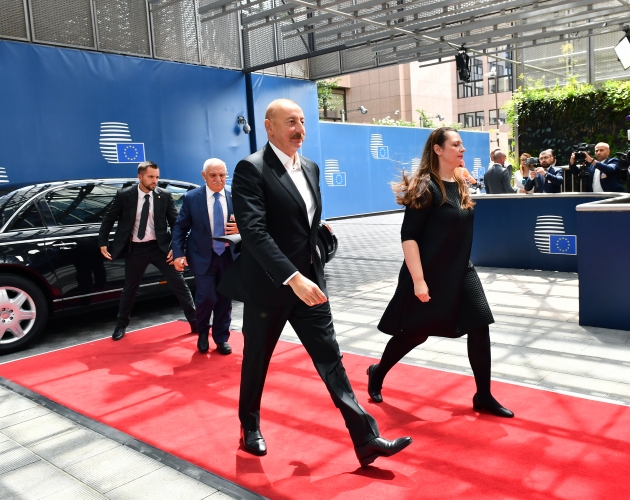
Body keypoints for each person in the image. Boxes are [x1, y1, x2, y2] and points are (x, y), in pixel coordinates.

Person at [216, 99, 412, 466]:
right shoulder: (251, 169)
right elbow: (254, 232)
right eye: (291, 121)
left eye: (303, 121)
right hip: (270, 286)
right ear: (269, 126)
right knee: (256, 360)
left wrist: (311, 265)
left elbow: (304, 226)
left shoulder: (310, 167)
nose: (300, 129)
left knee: (331, 358)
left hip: (310, 284)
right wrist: (292, 278)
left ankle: (366, 438)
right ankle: (249, 426)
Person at [370, 127, 514, 419]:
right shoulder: (426, 187)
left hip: (462, 270)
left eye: (462, 145)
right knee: (416, 334)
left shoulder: (459, 183)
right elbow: (409, 237)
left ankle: (483, 395)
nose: (462, 149)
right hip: (430, 274)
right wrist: (419, 281)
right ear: (438, 149)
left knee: (480, 324)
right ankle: (378, 371)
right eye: (456, 144)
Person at [99, 161, 196, 341]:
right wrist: (103, 241)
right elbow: (109, 218)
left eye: (157, 177)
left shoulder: (164, 195)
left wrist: (176, 248)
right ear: (140, 177)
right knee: (130, 289)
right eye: (151, 177)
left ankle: (195, 321)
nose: (155, 181)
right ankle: (121, 325)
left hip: (160, 248)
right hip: (135, 249)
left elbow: (176, 224)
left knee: (179, 284)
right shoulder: (125, 195)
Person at [172, 158, 239, 355]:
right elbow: (180, 228)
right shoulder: (192, 198)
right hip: (202, 257)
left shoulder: (235, 196)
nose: (218, 179)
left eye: (222, 175)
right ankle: (202, 332)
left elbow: (251, 223)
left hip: (228, 256)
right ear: (204, 176)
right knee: (207, 297)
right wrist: (178, 253)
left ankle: (221, 338)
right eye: (213, 175)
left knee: (225, 299)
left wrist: (241, 228)